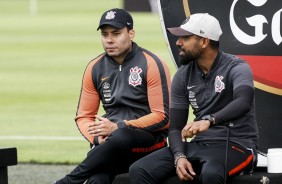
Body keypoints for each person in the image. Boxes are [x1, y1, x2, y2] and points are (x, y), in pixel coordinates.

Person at [129, 13, 259, 184]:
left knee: (211, 173)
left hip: (238, 145)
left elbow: (243, 102)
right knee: (139, 169)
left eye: (186, 37)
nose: (178, 42)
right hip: (200, 144)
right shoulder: (182, 75)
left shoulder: (237, 67)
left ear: (204, 42)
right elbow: (175, 127)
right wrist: (179, 156)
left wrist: (209, 120)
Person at [54, 8, 171, 184]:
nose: (109, 40)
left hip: (148, 144)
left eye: (116, 34)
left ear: (131, 34)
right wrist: (95, 137)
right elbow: (84, 116)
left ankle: (68, 181)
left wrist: (119, 126)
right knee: (96, 180)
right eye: (105, 34)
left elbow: (163, 117)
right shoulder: (95, 67)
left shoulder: (152, 63)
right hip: (111, 147)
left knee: (122, 135)